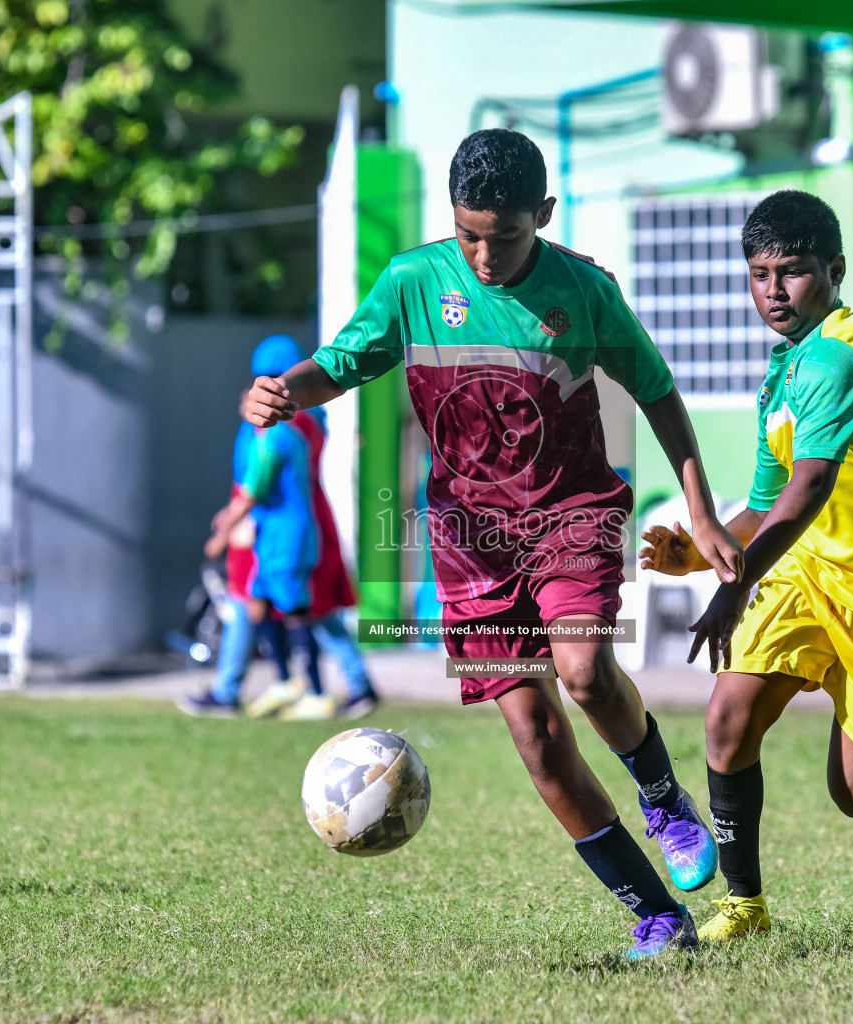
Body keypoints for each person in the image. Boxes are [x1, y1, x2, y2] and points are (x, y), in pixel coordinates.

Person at [242, 129, 746, 959]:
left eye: (503, 236)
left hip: (572, 513)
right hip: (470, 540)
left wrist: (700, 510)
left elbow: (656, 391)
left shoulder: (582, 290)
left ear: (542, 216)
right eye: (468, 232)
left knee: (583, 671)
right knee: (537, 740)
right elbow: (344, 360)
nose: (482, 253)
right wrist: (287, 392)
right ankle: (657, 915)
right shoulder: (413, 279)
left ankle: (662, 797)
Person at [639, 190, 853, 942]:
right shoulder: (783, 371)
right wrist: (702, 553)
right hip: (808, 572)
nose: (774, 291)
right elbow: (766, 501)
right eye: (759, 274)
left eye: (793, 272)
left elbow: (811, 487)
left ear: (836, 270)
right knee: (727, 719)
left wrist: (737, 580)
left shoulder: (840, 354)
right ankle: (744, 906)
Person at [180, 337, 380, 721]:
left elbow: (255, 486)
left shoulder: (278, 429)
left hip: (283, 535)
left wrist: (225, 528)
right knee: (259, 604)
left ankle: (318, 689)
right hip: (287, 530)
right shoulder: (309, 423)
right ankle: (271, 683)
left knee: (302, 610)